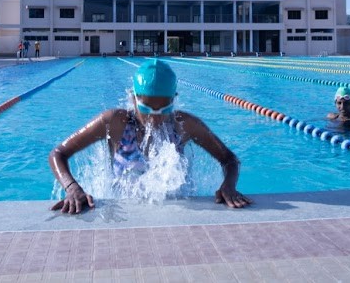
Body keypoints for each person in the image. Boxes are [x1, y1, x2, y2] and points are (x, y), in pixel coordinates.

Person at [49, 59, 251, 214]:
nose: (155, 116)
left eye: (165, 108)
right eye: (146, 108)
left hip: (176, 216)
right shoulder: (115, 122)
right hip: (124, 215)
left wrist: (228, 185)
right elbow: (58, 153)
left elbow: (229, 159)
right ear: (133, 98)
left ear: (174, 100)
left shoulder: (184, 125)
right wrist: (72, 187)